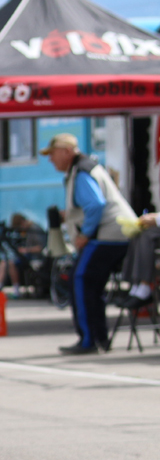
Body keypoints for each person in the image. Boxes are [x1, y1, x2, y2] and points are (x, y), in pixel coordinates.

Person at [42, 133, 135, 355]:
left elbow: (95, 205)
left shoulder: (81, 171)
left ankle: (89, 340)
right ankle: (98, 338)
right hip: (117, 233)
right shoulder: (83, 168)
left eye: (52, 153)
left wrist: (84, 233)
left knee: (81, 281)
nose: (50, 159)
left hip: (107, 235)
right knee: (89, 284)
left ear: (66, 151)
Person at [0, 212, 47, 299]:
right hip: (28, 256)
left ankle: (11, 288)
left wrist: (26, 250)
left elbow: (41, 247)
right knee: (5, 261)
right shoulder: (28, 230)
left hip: (35, 257)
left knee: (10, 262)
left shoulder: (34, 229)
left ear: (22, 223)